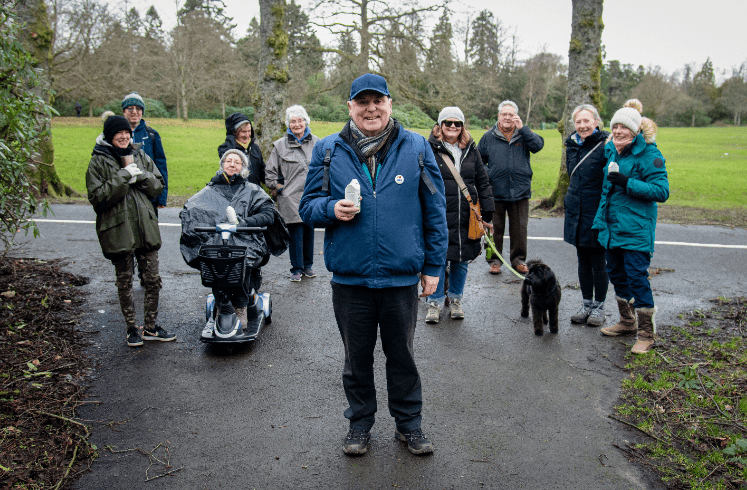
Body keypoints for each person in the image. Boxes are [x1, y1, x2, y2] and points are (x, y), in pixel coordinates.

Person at [299, 73, 447, 456]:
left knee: (403, 357)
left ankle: (409, 425)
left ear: (389, 104)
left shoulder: (416, 147)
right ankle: (360, 424)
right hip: (351, 278)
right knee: (356, 360)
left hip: (400, 278)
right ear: (350, 107)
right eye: (362, 102)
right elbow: (307, 207)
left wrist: (433, 268)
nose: (371, 109)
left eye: (377, 101)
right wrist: (331, 208)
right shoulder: (328, 150)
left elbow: (436, 213)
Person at [85, 115, 175, 347]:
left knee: (152, 279)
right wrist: (124, 176)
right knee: (124, 282)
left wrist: (141, 175)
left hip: (145, 227)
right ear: (109, 136)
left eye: (126, 133)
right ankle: (132, 329)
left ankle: (151, 327)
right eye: (119, 134)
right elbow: (98, 198)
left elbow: (157, 186)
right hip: (118, 230)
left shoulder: (141, 155)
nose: (124, 137)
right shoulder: (98, 161)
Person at [592, 99, 669, 354]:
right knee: (616, 273)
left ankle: (647, 334)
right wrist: (599, 223)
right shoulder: (612, 150)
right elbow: (606, 191)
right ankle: (627, 321)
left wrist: (627, 182)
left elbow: (662, 191)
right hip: (612, 229)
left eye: (623, 127)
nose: (617, 132)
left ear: (635, 130)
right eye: (614, 127)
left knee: (637, 277)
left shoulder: (650, 154)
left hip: (636, 229)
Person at [179, 149, 276, 327]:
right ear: (223, 164)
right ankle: (221, 303)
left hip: (247, 242)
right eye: (229, 161)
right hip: (218, 241)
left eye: (237, 162)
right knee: (213, 259)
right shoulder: (209, 190)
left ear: (244, 168)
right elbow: (191, 209)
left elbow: (269, 213)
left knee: (241, 261)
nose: (232, 164)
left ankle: (240, 306)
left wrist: (244, 223)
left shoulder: (252, 190)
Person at [424, 107, 494, 324]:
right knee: (437, 257)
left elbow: (483, 181)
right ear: (440, 125)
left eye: (457, 123)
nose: (452, 126)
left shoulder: (471, 149)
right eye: (448, 122)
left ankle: (455, 299)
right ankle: (433, 302)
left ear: (462, 126)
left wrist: (488, 214)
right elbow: (422, 178)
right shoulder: (429, 149)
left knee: (461, 258)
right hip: (439, 212)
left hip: (466, 214)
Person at [478, 100, 544, 275]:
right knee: (494, 229)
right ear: (498, 116)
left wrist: (524, 129)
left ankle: (519, 260)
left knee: (520, 229)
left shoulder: (524, 134)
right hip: (495, 191)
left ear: (516, 117)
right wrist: (489, 173)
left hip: (520, 191)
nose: (507, 117)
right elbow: (478, 161)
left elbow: (538, 146)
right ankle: (494, 261)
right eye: (504, 114)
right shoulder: (488, 137)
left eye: (511, 114)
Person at [563, 104, 610, 327]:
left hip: (597, 209)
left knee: (598, 261)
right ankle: (586, 304)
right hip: (576, 210)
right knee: (582, 259)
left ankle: (600, 307)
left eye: (586, 121)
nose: (582, 125)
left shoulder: (606, 145)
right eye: (578, 122)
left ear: (596, 122)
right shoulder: (571, 145)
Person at [266, 105, 320, 282]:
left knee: (309, 231)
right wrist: (281, 189)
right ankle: (296, 269)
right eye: (293, 121)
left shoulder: (317, 143)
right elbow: (270, 173)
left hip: (311, 195)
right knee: (296, 233)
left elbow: (325, 168)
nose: (297, 124)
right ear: (288, 124)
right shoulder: (280, 145)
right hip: (290, 198)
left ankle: (308, 266)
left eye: (300, 120)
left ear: (306, 122)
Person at [122, 92, 168, 215]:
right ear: (124, 111)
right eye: (130, 108)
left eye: (138, 108)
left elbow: (161, 165)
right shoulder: (117, 135)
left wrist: (162, 195)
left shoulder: (152, 134)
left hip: (148, 192)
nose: (134, 112)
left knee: (149, 231)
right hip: (123, 193)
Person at [218, 113, 266, 187]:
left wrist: (277, 184)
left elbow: (262, 172)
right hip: (236, 193)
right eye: (243, 132)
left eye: (249, 131)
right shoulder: (225, 149)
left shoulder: (254, 148)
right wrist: (230, 139)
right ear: (234, 133)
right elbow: (229, 173)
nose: (247, 135)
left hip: (255, 192)